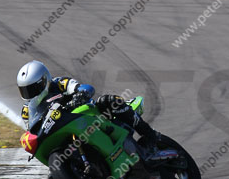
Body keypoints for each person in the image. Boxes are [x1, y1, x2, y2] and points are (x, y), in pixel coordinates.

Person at [16, 59, 161, 145]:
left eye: (32, 88)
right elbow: (32, 130)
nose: (30, 94)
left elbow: (83, 88)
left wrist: (79, 96)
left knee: (108, 101)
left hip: (88, 115)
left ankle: (150, 134)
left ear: (44, 80)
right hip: (61, 132)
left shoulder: (59, 83)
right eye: (26, 91)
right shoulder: (27, 110)